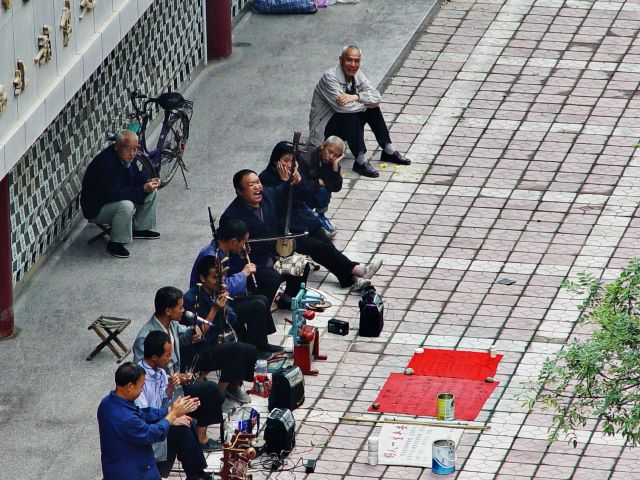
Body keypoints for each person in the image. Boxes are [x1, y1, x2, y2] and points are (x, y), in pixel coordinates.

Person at [260, 142, 381, 291]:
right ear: (275, 161)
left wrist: (299, 182)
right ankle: (358, 270)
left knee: (328, 247)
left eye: (292, 161)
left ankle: (354, 278)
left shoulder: (296, 173)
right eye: (285, 160)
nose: (289, 165)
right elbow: (275, 205)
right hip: (287, 230)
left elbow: (312, 200)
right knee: (319, 247)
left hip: (306, 220)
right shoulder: (266, 178)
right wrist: (285, 183)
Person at [132, 287, 234, 450]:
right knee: (194, 411)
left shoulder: (171, 324)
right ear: (168, 310)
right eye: (180, 307)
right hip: (161, 395)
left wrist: (194, 331)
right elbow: (142, 375)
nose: (183, 310)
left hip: (177, 385)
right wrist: (171, 379)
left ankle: (201, 437)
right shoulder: (145, 338)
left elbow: (184, 335)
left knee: (211, 390)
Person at [309, 45, 411, 178]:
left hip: (344, 126)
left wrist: (356, 97)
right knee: (357, 111)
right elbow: (343, 107)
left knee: (372, 108)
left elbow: (377, 97)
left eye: (356, 61)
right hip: (325, 132)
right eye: (349, 60)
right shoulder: (329, 77)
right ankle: (360, 160)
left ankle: (388, 150)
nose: (353, 65)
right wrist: (366, 104)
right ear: (340, 60)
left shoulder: (357, 74)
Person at [188, 219, 283, 357]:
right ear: (233, 241)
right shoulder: (212, 257)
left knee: (262, 299)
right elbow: (223, 285)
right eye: (243, 242)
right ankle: (253, 351)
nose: (244, 246)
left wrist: (241, 257)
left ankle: (261, 343)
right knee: (257, 305)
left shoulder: (222, 250)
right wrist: (244, 273)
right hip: (210, 303)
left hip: (220, 298)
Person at [220, 169, 310, 310]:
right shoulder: (231, 216)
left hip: (274, 254)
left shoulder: (267, 196)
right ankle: (263, 309)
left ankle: (287, 299)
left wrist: (292, 179)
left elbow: (283, 190)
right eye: (251, 185)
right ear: (239, 191)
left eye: (258, 182)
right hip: (252, 262)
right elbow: (227, 246)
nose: (257, 187)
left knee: (302, 264)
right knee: (272, 278)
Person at [97, 362, 200, 480]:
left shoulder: (107, 402)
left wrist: (168, 411)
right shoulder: (124, 417)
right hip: (131, 473)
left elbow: (142, 413)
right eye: (141, 386)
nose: (142, 390)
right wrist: (172, 415)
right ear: (130, 386)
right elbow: (150, 434)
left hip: (124, 464)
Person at [136, 331, 212, 480]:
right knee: (182, 428)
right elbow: (144, 414)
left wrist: (170, 388)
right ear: (154, 357)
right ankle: (196, 475)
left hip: (160, 418)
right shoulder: (139, 378)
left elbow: (163, 399)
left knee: (187, 421)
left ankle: (197, 473)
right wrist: (171, 417)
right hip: (148, 429)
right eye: (167, 355)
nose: (170, 358)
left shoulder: (161, 373)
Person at [80, 130, 160, 258]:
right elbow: (116, 194)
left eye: (135, 149)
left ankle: (140, 228)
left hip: (115, 197)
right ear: (117, 146)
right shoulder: (106, 164)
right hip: (97, 208)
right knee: (126, 205)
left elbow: (136, 175)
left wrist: (148, 181)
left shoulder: (128, 157)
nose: (132, 153)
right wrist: (142, 189)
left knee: (152, 191)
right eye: (128, 149)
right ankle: (115, 243)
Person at [297, 135, 346, 237]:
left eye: (336, 155)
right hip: (299, 197)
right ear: (322, 146)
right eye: (330, 152)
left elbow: (336, 187)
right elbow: (300, 186)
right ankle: (311, 217)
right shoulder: (306, 157)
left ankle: (320, 216)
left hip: (312, 193)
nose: (331, 157)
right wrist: (317, 183)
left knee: (325, 190)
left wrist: (335, 169)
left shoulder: (332, 162)